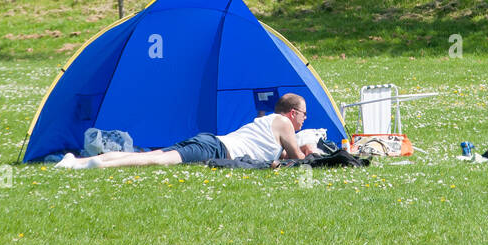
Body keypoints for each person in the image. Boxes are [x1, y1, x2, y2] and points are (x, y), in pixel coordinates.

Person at [58, 94, 317, 169]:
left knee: (159, 153)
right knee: (157, 160)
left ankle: (78, 161)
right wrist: (308, 149)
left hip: (212, 142)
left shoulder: (269, 123)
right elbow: (299, 160)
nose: (304, 120)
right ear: (292, 113)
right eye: (304, 114)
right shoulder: (283, 123)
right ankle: (87, 165)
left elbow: (279, 155)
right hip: (215, 148)